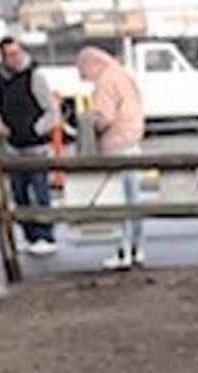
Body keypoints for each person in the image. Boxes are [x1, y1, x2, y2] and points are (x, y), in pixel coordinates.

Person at [76, 46, 145, 271]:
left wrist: (89, 122)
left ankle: (123, 251)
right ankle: (137, 248)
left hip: (116, 145)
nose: (83, 75)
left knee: (119, 201)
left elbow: (104, 118)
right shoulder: (123, 75)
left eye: (82, 70)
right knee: (134, 200)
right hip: (133, 142)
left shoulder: (105, 81)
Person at [0, 36, 58, 256]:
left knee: (40, 191)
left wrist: (36, 129)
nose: (15, 58)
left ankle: (46, 236)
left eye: (17, 53)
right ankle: (30, 236)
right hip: (13, 145)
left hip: (36, 146)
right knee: (19, 194)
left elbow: (51, 110)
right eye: (9, 55)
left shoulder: (34, 76)